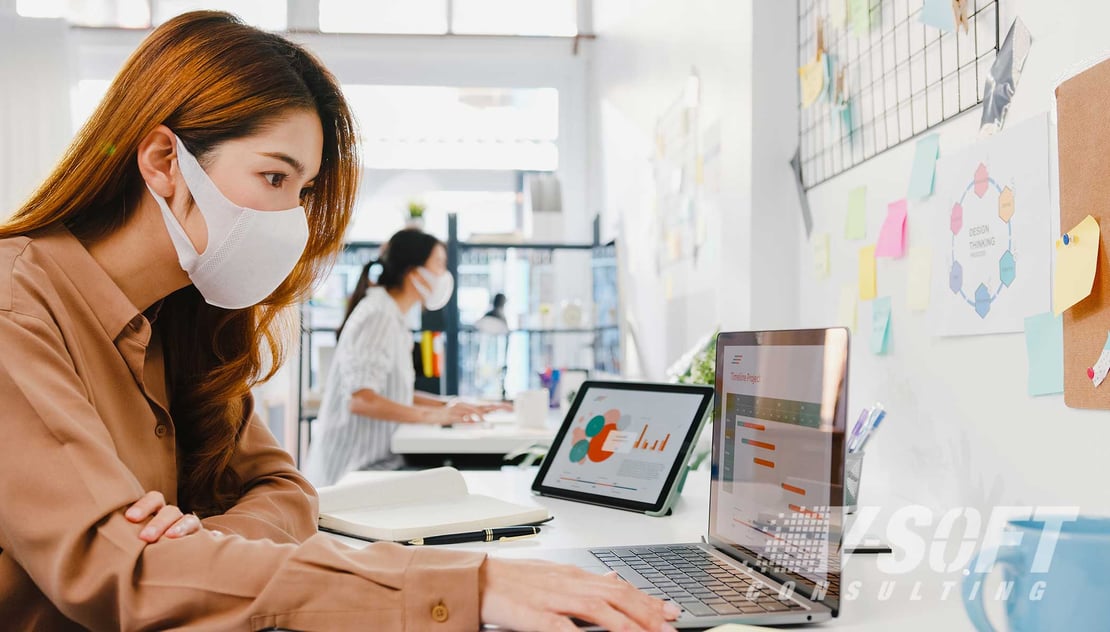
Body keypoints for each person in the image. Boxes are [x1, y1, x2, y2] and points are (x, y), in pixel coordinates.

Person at [0, 11, 679, 631]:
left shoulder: (186, 322)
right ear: (164, 160)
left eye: (303, 191)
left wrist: (204, 550)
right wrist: (468, 586)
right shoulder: (15, 308)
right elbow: (128, 576)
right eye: (273, 178)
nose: (293, 218)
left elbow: (285, 490)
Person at [303, 228, 504, 486]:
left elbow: (393, 392)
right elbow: (361, 400)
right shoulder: (378, 315)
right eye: (440, 264)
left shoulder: (392, 315)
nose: (444, 275)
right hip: (353, 472)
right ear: (414, 272)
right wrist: (436, 417)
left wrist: (449, 405)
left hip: (376, 464)